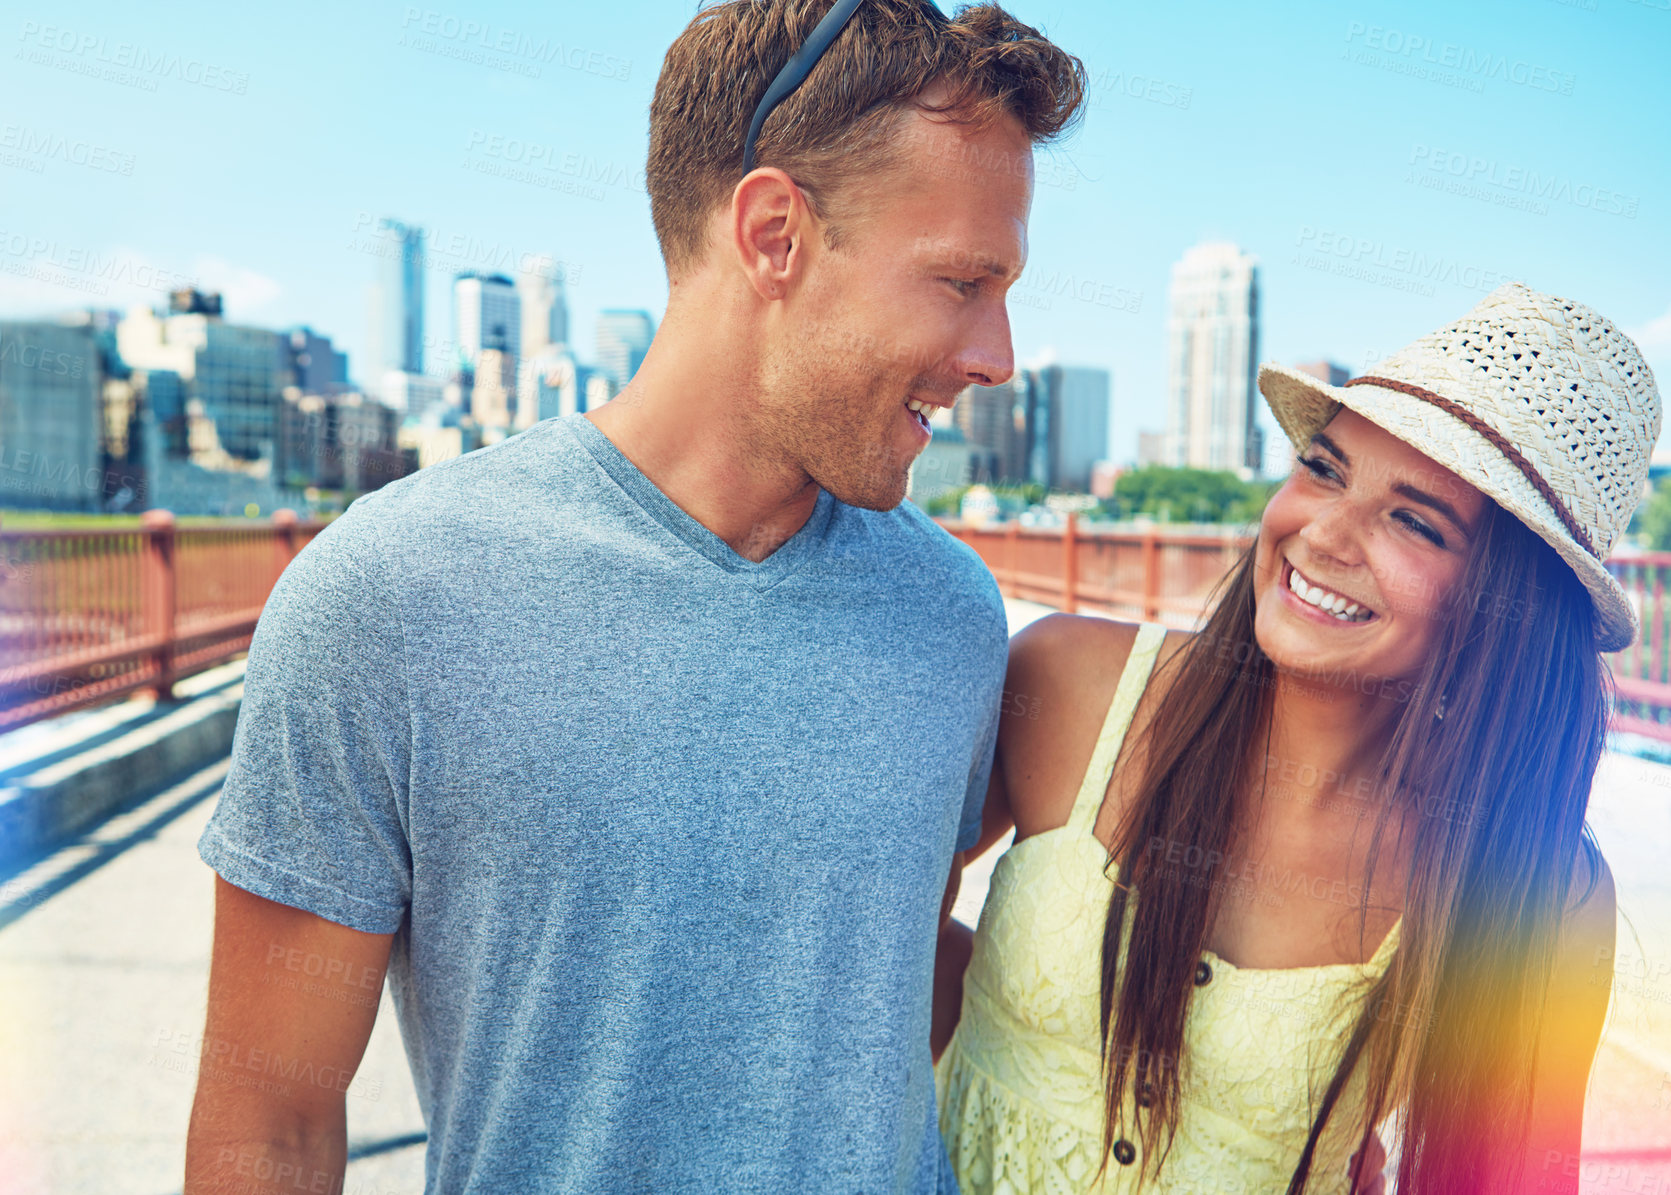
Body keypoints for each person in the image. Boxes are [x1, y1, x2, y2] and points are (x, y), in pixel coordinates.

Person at [182, 2, 1086, 1191]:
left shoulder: (953, 615)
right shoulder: (388, 598)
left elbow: (878, 971)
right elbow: (271, 1122)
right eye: (963, 281)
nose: (998, 355)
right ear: (774, 234)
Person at [933, 282, 1659, 1194]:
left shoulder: (1534, 897)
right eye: (1323, 469)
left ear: (1507, 614)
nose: (1322, 533)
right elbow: (872, 942)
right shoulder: (1068, 681)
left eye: (1413, 521)